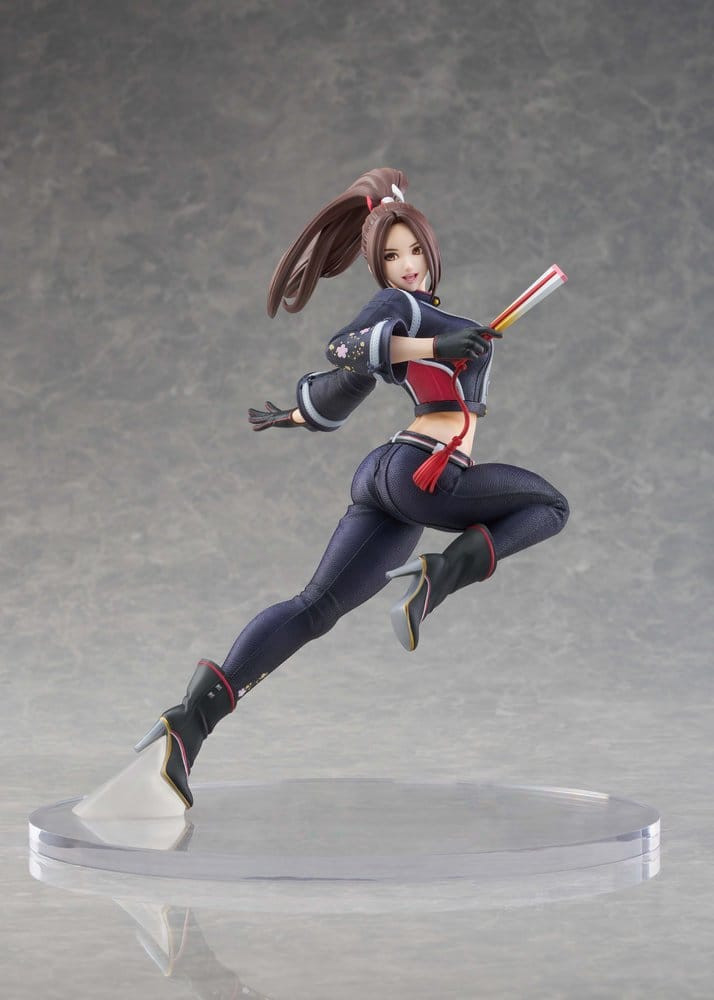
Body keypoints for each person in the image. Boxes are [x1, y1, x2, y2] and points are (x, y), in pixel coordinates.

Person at [134, 168, 569, 808]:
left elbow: (349, 384)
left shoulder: (439, 318)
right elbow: (345, 351)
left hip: (388, 480)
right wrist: (435, 343)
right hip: (424, 472)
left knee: (315, 608)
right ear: (378, 268)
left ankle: (189, 724)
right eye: (391, 257)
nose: (407, 265)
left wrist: (297, 413)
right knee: (550, 506)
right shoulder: (403, 311)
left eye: (414, 250)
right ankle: (440, 576)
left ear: (431, 248)